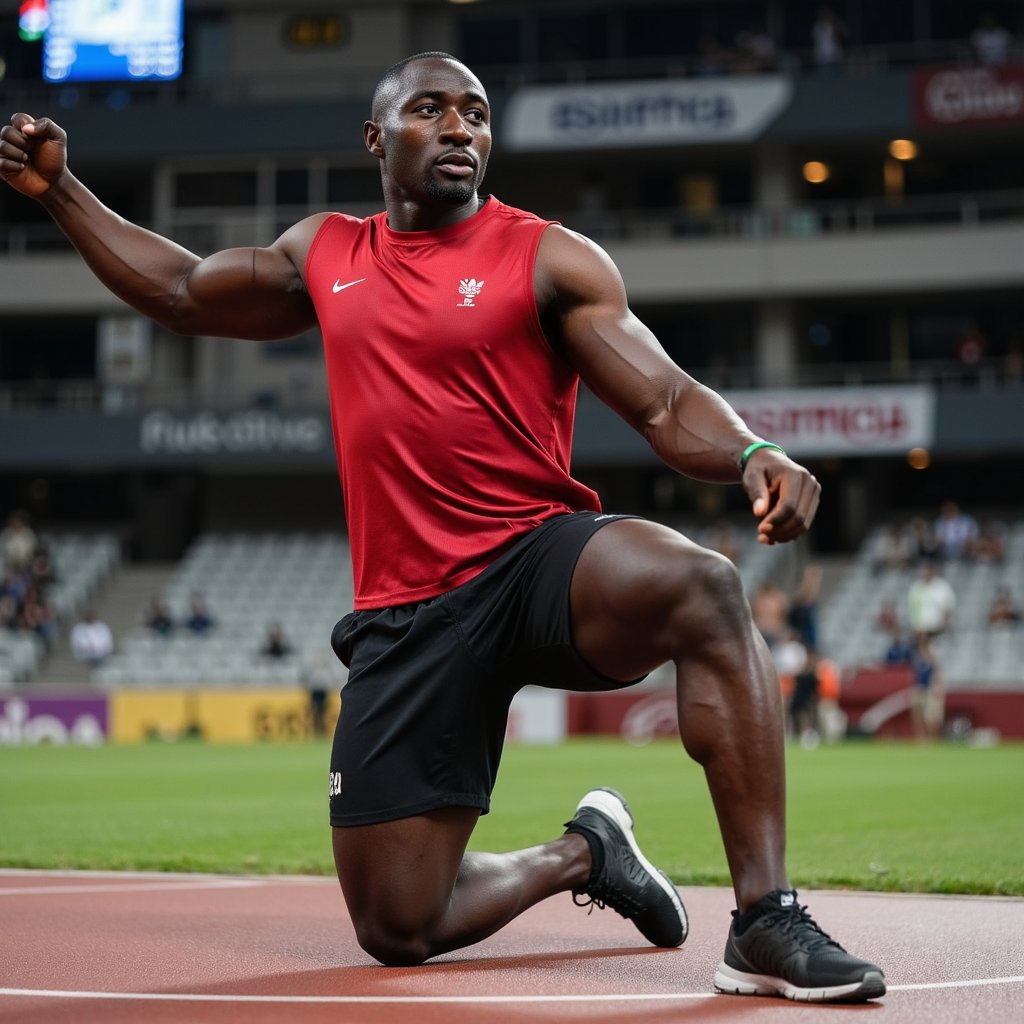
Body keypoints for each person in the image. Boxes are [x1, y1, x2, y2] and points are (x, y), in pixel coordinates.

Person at [0, 53, 884, 1002]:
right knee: (398, 926)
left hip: (534, 562)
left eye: (476, 112)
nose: (461, 127)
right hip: (407, 613)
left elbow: (665, 398)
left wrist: (753, 452)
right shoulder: (326, 251)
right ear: (378, 138)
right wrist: (61, 193)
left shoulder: (547, 256)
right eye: (431, 110)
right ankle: (587, 853)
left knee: (701, 585)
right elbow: (179, 289)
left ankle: (764, 919)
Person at [907, 561, 955, 638]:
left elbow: (948, 606)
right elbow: (913, 607)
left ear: (932, 571)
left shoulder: (942, 586)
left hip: (937, 628)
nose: (923, 573)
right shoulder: (916, 587)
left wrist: (943, 624)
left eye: (926, 570)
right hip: (920, 629)